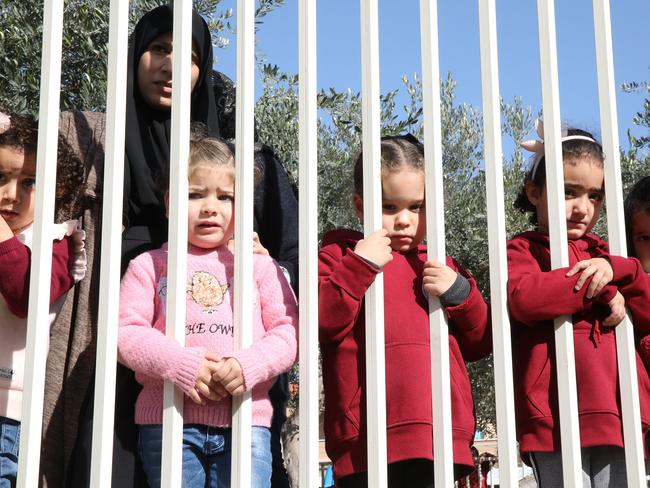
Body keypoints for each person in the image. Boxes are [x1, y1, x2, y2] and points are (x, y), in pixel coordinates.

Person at [62, 5, 298, 487]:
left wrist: (258, 258)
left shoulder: (241, 158)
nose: (171, 66)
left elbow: (287, 280)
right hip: (116, 354)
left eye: (187, 56)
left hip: (232, 392)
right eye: (158, 49)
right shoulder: (94, 144)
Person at [117, 133, 298, 487]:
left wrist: (247, 366)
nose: (210, 207)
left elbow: (289, 332)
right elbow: (125, 334)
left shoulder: (261, 267)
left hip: (246, 421)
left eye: (225, 196)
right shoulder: (149, 265)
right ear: (169, 203)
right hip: (169, 419)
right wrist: (182, 364)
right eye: (195, 194)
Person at [318, 134, 492, 487]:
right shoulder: (340, 257)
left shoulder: (440, 264)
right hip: (365, 439)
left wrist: (459, 291)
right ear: (359, 204)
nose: (404, 220)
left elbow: (481, 341)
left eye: (417, 207)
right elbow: (323, 323)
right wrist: (360, 265)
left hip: (439, 434)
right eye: (389, 207)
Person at [508, 119, 650, 487]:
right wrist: (603, 289)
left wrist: (623, 272)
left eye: (595, 195)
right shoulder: (523, 250)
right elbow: (524, 299)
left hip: (618, 411)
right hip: (553, 417)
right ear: (534, 191)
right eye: (569, 191)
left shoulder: (608, 256)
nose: (583, 207)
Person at [0, 110, 86, 487]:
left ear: (58, 187)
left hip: (8, 408)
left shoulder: (56, 241)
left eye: (30, 181)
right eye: (0, 177)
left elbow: (26, 298)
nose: (11, 193)